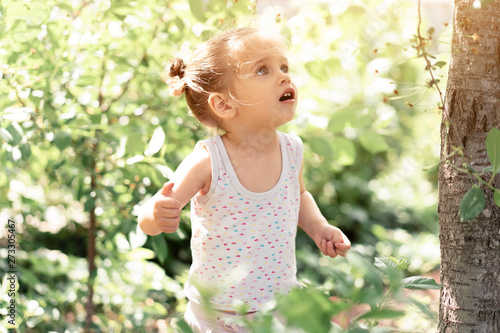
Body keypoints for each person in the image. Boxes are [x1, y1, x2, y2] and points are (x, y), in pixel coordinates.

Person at [138, 27, 351, 333]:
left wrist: (319, 228)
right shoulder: (209, 161)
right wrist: (155, 214)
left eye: (284, 67)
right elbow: (152, 217)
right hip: (222, 317)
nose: (283, 77)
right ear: (224, 104)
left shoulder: (292, 150)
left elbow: (299, 195)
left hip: (280, 307)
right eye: (263, 70)